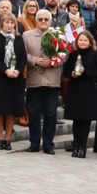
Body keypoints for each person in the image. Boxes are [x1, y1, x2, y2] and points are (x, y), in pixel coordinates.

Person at [23, 9, 61, 153]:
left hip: (52, 80)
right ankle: (34, 143)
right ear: (36, 20)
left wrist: (52, 62)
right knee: (33, 113)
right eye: (41, 19)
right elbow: (23, 54)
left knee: (51, 114)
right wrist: (35, 60)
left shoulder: (58, 36)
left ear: (50, 21)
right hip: (34, 80)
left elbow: (65, 54)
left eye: (46, 19)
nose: (43, 22)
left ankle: (48, 144)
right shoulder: (27, 36)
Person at [0, 13, 25, 149]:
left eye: (11, 23)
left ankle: (7, 139)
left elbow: (23, 57)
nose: (9, 25)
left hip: (15, 79)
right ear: (1, 24)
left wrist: (18, 71)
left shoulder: (19, 39)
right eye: (6, 23)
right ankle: (0, 138)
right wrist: (5, 70)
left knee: (11, 110)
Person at [62, 30, 97, 158]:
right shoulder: (73, 55)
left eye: (85, 40)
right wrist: (71, 74)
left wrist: (85, 71)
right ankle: (76, 146)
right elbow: (66, 72)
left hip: (89, 90)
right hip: (75, 89)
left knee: (86, 121)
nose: (83, 42)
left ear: (90, 42)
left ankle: (83, 147)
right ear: (77, 42)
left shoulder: (95, 55)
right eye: (81, 40)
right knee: (76, 120)